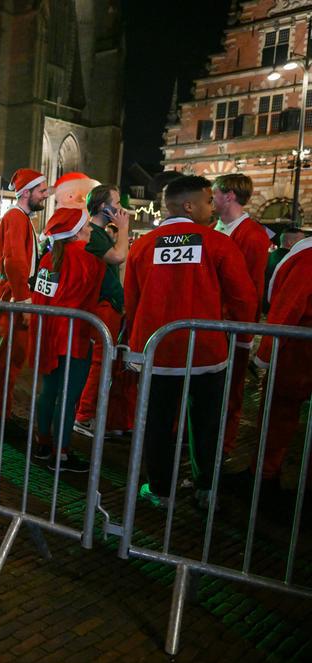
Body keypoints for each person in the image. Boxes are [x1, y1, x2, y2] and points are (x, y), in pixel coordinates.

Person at [124, 175, 257, 509]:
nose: (212, 206)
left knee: (157, 422)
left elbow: (132, 301)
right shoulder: (217, 243)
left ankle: (160, 490)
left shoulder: (143, 245)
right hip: (207, 350)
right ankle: (206, 487)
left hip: (157, 350)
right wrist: (242, 336)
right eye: (208, 200)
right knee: (207, 423)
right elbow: (243, 297)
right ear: (189, 205)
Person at [29, 208, 105, 473]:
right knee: (69, 396)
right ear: (76, 231)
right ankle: (61, 455)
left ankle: (43, 444)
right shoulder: (91, 261)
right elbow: (91, 302)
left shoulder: (48, 259)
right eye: (85, 227)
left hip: (49, 333)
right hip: (75, 336)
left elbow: (41, 298)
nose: (89, 230)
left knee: (49, 390)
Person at [211, 174, 272, 461]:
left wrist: (245, 332)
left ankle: (222, 447)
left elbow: (251, 288)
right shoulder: (215, 228)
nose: (211, 198)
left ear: (229, 195)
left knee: (230, 392)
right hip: (211, 323)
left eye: (215, 193)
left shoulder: (252, 234)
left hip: (232, 325)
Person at [0, 168, 50, 436]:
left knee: (12, 355)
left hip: (13, 290)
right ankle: (0, 416)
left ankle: (2, 413)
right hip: (14, 292)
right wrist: (23, 298)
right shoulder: (16, 218)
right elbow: (14, 260)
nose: (44, 195)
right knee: (11, 355)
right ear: (26, 193)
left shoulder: (18, 217)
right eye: (41, 191)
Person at [73, 185, 134, 438]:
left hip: (109, 304)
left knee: (105, 362)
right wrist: (123, 229)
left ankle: (94, 415)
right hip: (103, 305)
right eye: (116, 203)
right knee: (100, 361)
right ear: (102, 207)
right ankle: (84, 416)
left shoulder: (98, 233)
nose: (120, 208)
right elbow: (119, 257)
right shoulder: (96, 234)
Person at [252, 234, 311, 486]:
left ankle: (265, 471)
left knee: (279, 411)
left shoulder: (306, 259)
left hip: (298, 350)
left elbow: (288, 308)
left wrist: (264, 354)